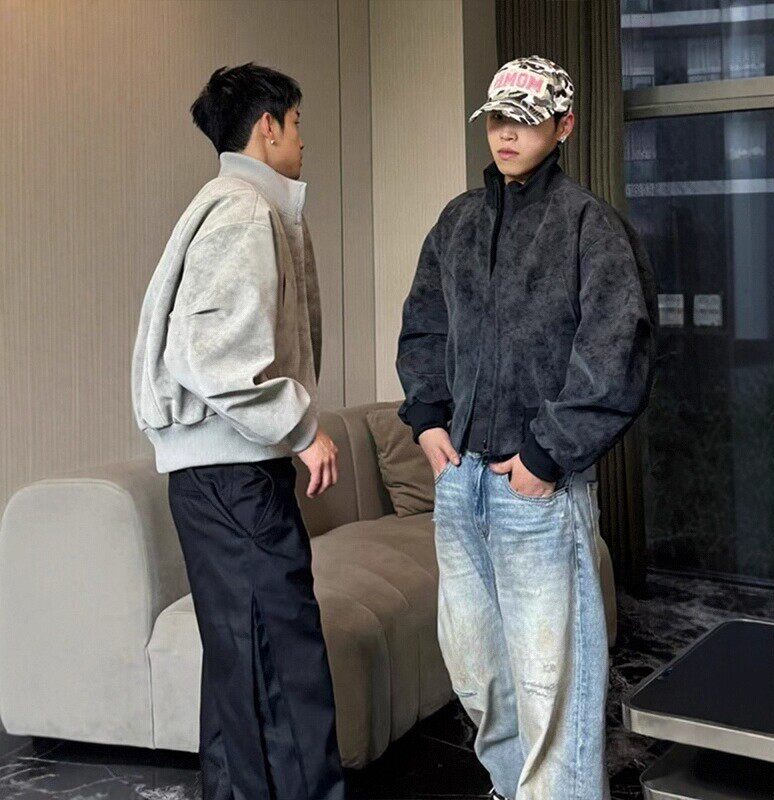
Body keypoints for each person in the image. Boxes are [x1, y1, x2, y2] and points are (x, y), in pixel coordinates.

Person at [396, 56, 657, 800]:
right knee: (479, 676)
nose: (507, 134)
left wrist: (546, 455)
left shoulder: (588, 225)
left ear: (564, 126)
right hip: (460, 483)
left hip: (537, 490)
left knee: (552, 687)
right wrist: (427, 420)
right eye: (498, 119)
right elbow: (424, 325)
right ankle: (514, 791)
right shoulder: (458, 221)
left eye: (526, 120)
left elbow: (617, 350)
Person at [131, 63, 346, 800]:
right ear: (268, 127)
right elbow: (211, 357)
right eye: (298, 124)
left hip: (217, 477)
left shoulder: (230, 204)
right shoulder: (245, 210)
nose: (303, 141)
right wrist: (301, 427)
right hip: (233, 477)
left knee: (241, 662)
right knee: (281, 664)